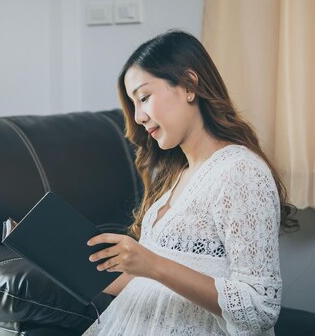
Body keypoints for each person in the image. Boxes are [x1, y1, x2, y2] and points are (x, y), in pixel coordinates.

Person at [83, 30, 298, 336]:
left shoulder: (239, 171)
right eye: (133, 105)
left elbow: (259, 308)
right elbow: (154, 286)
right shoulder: (175, 177)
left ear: (189, 85)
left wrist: (152, 264)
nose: (139, 116)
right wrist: (70, 268)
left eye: (144, 97)